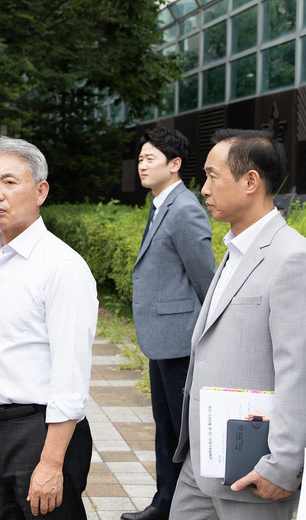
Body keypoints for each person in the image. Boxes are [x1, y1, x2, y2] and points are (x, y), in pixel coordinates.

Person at [0, 136, 98, 519]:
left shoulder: (61, 267)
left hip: (44, 431)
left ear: (40, 191)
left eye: (9, 181)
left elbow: (70, 375)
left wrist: (51, 463)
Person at [170, 129, 306, 520]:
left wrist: (282, 464)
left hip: (253, 467)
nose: (203, 188)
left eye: (212, 176)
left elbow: (297, 368)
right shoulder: (235, 249)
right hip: (202, 459)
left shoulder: (291, 256)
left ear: (250, 182)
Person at [123, 128, 216, 520]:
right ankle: (165, 503)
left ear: (174, 164)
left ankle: (191, 506)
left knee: (182, 431)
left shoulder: (184, 209)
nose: (142, 165)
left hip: (180, 340)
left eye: (150, 159)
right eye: (140, 159)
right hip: (161, 338)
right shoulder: (161, 203)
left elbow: (206, 279)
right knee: (166, 427)